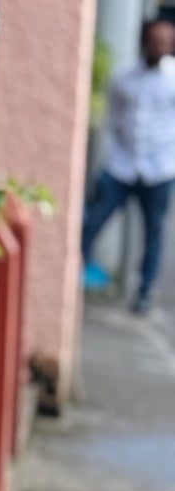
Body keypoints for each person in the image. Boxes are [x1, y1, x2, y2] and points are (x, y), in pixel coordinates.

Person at [81, 16, 175, 316]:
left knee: (153, 233)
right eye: (154, 41)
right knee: (93, 220)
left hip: (159, 168)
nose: (159, 47)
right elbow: (113, 119)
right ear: (144, 41)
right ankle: (75, 274)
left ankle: (144, 293)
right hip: (122, 165)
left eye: (165, 42)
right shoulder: (123, 77)